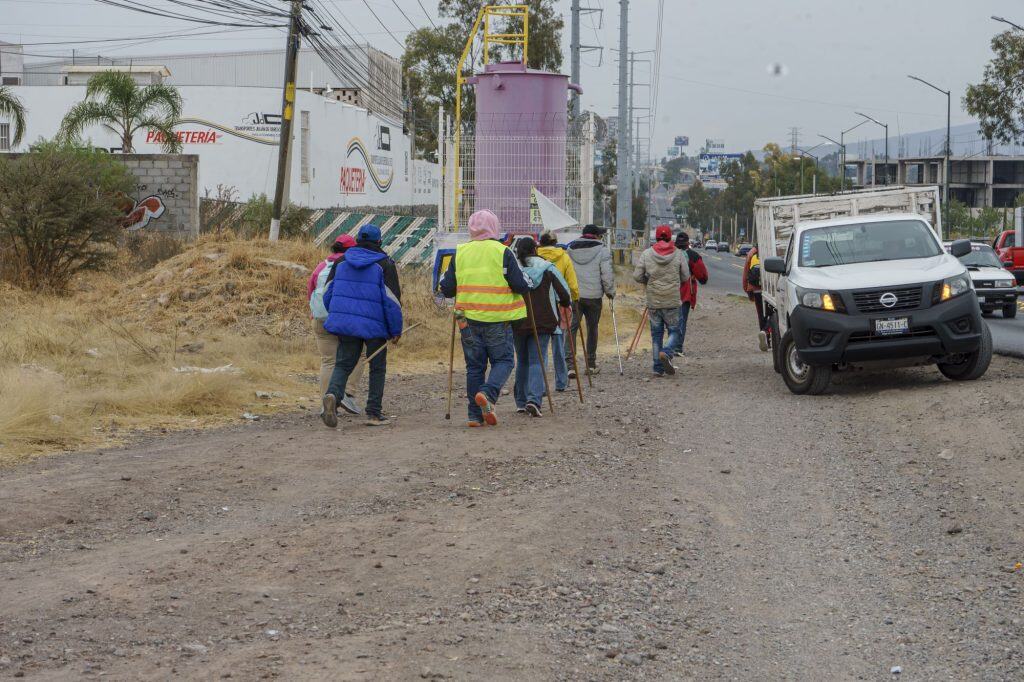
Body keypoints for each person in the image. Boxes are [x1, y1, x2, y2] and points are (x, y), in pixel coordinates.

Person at [439, 210, 532, 427]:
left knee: (474, 367)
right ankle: (488, 395)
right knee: (504, 361)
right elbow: (520, 285)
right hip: (498, 319)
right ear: (494, 227)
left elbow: (447, 288)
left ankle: (474, 416)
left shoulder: (460, 252)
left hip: (467, 321)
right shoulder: (503, 252)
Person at [321, 224, 403, 427]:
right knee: (377, 367)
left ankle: (332, 395)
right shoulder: (385, 264)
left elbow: (327, 293)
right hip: (375, 326)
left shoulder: (341, 261)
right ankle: (374, 413)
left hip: (346, 323)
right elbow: (392, 301)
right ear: (379, 242)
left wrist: (338, 313)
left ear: (357, 241)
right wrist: (395, 330)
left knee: (343, 363)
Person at [513, 236, 572, 416]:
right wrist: (565, 303)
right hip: (544, 321)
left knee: (522, 360)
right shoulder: (547, 267)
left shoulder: (514, 268)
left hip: (518, 319)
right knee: (536, 361)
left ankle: (521, 402)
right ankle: (534, 400)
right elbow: (564, 291)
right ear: (535, 249)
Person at [308, 234, 363, 416]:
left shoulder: (321, 267)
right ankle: (346, 394)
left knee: (328, 361)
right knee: (356, 356)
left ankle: (326, 403)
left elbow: (310, 290)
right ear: (350, 250)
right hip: (344, 319)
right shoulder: (350, 266)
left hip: (321, 319)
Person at [633, 225, 690, 377]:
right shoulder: (678, 254)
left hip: (654, 300)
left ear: (657, 237)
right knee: (675, 331)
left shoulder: (647, 254)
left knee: (656, 334)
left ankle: (658, 368)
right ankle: (666, 352)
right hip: (672, 299)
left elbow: (637, 275)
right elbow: (685, 276)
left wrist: (649, 279)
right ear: (670, 237)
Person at [566, 224, 615, 376]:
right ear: (596, 235)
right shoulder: (602, 250)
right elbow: (606, 274)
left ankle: (570, 366)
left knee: (572, 328)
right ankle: (591, 364)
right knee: (592, 328)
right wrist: (610, 292)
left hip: (575, 296)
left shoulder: (570, 249)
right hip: (594, 296)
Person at [537, 232, 579, 391]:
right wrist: (575, 298)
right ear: (555, 242)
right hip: (561, 303)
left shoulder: (535, 257)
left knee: (541, 347)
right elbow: (572, 283)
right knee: (559, 344)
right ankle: (561, 382)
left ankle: (540, 386)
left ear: (540, 242)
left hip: (541, 304)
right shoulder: (564, 257)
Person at [669, 231, 709, 357]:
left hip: (667, 291)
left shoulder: (669, 254)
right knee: (681, 321)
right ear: (688, 243)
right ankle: (677, 347)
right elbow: (703, 277)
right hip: (685, 292)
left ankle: (669, 345)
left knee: (670, 321)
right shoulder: (693, 256)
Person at [742, 245, 769, 351]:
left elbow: (745, 273)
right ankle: (767, 333)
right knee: (771, 313)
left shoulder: (751, 253)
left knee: (761, 315)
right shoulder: (769, 249)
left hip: (755, 288)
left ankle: (764, 335)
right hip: (768, 287)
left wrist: (747, 289)